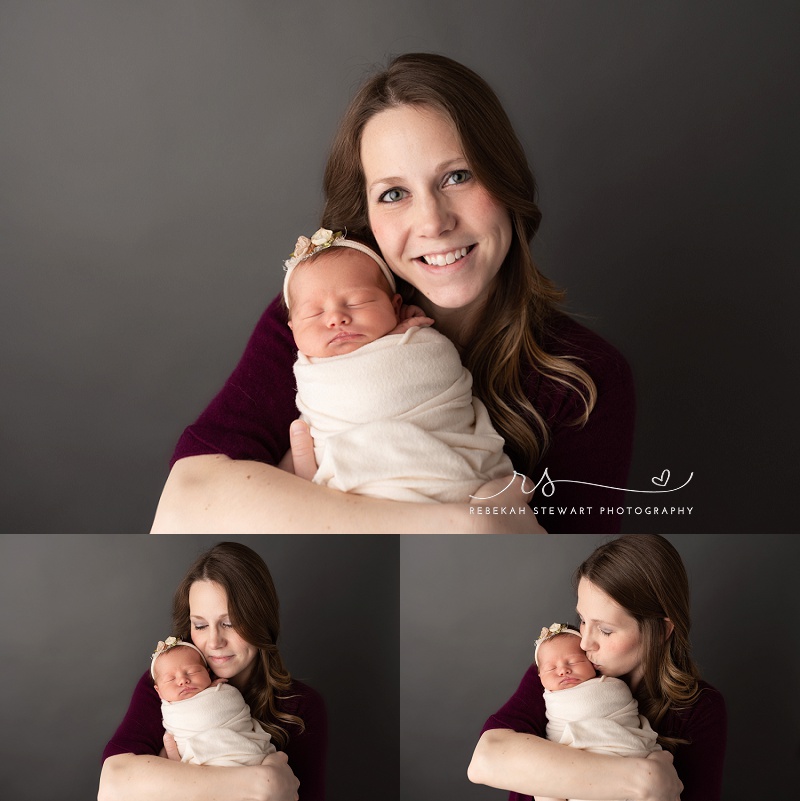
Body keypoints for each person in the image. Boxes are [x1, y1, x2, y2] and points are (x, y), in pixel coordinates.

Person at [152, 52, 635, 534]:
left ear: (506, 179)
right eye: (393, 194)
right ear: (366, 215)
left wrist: (297, 495)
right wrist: (464, 524)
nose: (432, 222)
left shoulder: (583, 380)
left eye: (457, 176)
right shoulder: (319, 322)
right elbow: (186, 498)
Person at [468, 535, 727, 801]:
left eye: (605, 630)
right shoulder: (559, 675)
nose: (586, 642)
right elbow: (486, 759)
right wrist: (642, 780)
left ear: (661, 630)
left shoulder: (698, 708)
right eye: (582, 619)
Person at [283, 227, 516, 503]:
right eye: (315, 313)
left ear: (395, 307)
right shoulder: (311, 372)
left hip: (449, 476)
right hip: (352, 499)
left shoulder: (420, 346)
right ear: (292, 328)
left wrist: (395, 338)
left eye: (357, 302)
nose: (336, 318)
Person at [98, 542, 327, 801]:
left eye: (229, 623)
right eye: (201, 625)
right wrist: (263, 784)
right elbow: (114, 782)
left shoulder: (299, 706)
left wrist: (172, 777)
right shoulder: (171, 685)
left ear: (260, 620)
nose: (214, 641)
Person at [533, 623, 659, 801]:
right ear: (539, 676)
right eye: (551, 669)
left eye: (574, 661)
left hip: (623, 757)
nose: (563, 670)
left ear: (592, 663)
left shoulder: (611, 686)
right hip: (574, 769)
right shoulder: (552, 699)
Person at [150, 637, 276, 766]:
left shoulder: (221, 692)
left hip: (242, 753)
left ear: (207, 673)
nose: (183, 680)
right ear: (158, 691)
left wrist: (210, 691)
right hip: (197, 768)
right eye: (170, 679)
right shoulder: (169, 709)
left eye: (192, 672)